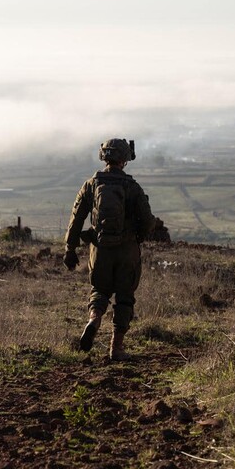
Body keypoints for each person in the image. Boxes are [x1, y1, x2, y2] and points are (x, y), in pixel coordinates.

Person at [64, 138, 155, 360]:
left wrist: (70, 249)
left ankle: (94, 319)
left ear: (103, 156)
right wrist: (138, 238)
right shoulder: (132, 187)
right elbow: (147, 220)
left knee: (99, 290)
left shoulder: (91, 185)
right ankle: (116, 347)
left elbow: (76, 219)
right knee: (124, 297)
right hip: (126, 251)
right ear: (125, 159)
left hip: (100, 250)